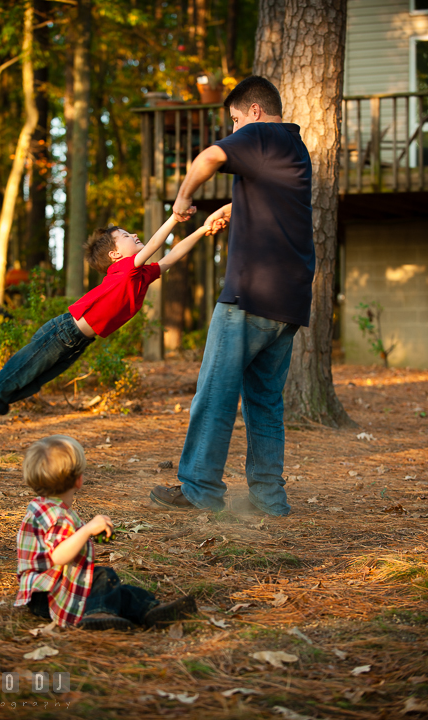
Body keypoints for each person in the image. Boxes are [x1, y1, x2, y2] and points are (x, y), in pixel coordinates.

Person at [150, 76, 315, 516]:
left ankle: (200, 489)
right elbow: (275, 202)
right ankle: (269, 499)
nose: (237, 127)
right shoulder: (294, 146)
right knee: (264, 401)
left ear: (255, 112)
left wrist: (184, 197)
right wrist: (232, 207)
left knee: (215, 391)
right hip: (290, 300)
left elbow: (210, 156)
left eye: (237, 119)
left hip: (250, 295)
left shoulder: (259, 134)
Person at [0, 211, 209, 441]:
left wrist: (202, 229)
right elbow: (154, 246)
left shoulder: (139, 275)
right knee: (22, 369)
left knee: (33, 382)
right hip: (63, 333)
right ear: (115, 255)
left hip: (77, 342)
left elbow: (172, 256)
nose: (134, 235)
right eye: (126, 236)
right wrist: (174, 219)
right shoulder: (124, 269)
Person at [15, 435, 197, 630]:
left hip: (44, 591)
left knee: (118, 592)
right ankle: (97, 615)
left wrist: (87, 534)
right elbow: (58, 555)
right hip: (50, 593)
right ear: (79, 480)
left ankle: (151, 610)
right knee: (103, 576)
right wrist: (86, 531)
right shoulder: (58, 516)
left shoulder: (40, 508)